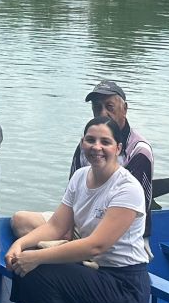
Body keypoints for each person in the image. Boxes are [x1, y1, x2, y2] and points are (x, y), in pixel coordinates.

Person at [4, 117, 150, 303]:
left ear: (118, 148)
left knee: (39, 270)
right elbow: (56, 226)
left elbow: (95, 246)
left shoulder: (127, 188)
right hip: (97, 272)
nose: (96, 147)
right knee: (23, 264)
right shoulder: (80, 177)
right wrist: (20, 245)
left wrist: (36, 258)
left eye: (105, 142)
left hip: (125, 286)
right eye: (91, 140)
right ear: (83, 143)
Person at [10, 79, 153, 238]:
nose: (103, 113)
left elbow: (133, 212)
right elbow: (71, 196)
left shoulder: (139, 150)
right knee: (21, 221)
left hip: (121, 234)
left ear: (124, 109)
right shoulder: (87, 145)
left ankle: (69, 251)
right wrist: (66, 230)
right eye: (97, 107)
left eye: (109, 107)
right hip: (84, 224)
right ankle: (69, 249)